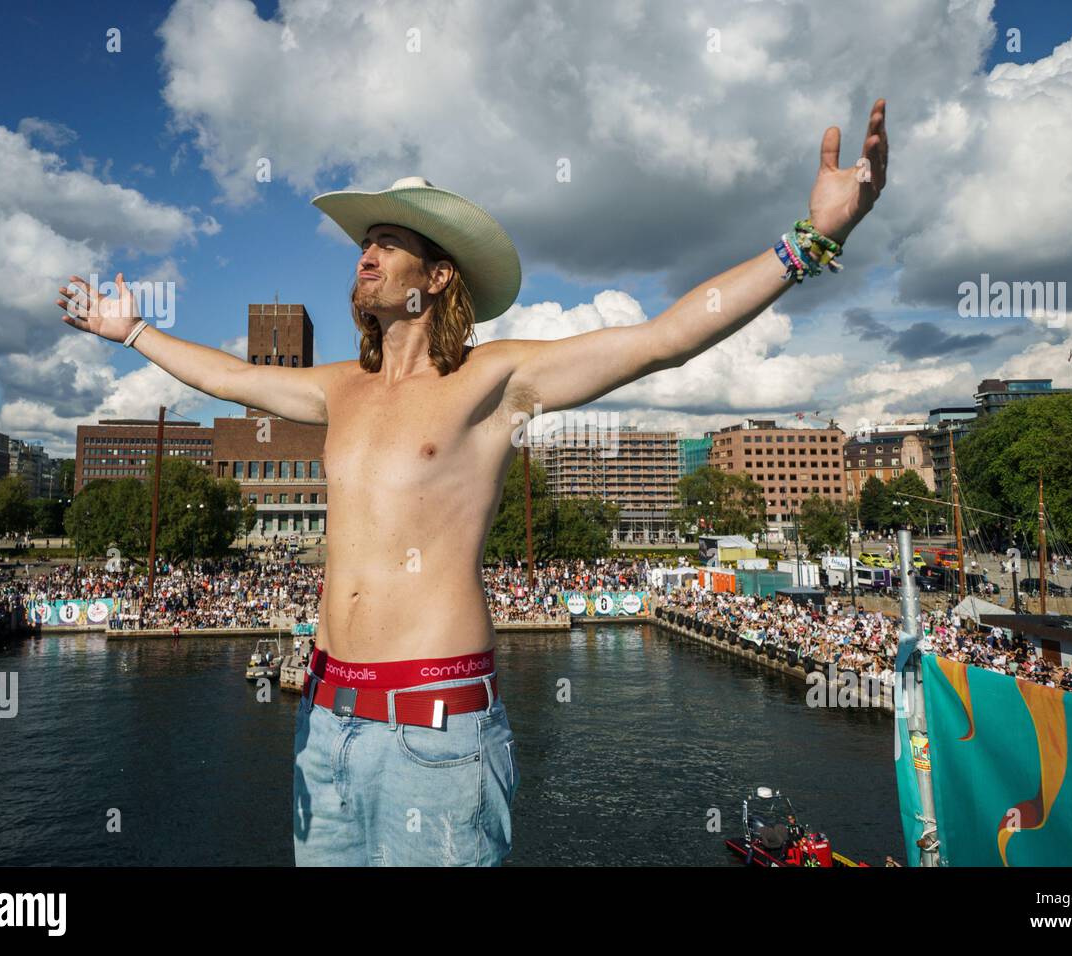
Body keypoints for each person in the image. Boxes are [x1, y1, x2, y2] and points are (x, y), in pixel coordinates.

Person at [55, 102, 889, 867]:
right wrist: (132, 331)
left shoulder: (494, 379)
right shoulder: (338, 388)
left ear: (439, 274)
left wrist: (808, 241)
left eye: (386, 242)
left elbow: (662, 339)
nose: (365, 255)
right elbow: (232, 379)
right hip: (323, 726)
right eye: (362, 244)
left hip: (438, 734)